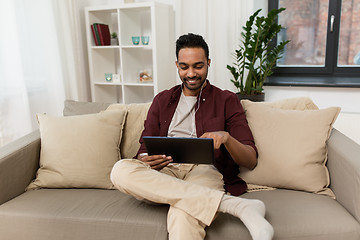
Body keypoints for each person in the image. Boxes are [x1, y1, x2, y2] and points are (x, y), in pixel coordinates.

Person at [110, 33, 274, 240]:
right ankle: (236, 206)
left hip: (205, 170)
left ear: (208, 63)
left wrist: (226, 137)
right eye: (184, 67)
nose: (191, 73)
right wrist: (145, 159)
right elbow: (144, 147)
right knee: (120, 170)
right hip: (165, 170)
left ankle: (227, 203)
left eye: (198, 66)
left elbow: (250, 159)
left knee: (183, 212)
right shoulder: (162, 100)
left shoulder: (226, 100)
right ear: (177, 65)